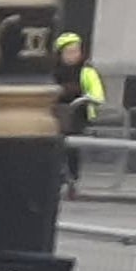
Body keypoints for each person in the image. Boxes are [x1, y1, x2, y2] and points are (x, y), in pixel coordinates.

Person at [54, 31, 104, 193]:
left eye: (76, 51)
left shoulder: (86, 70)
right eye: (69, 52)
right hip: (55, 115)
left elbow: (98, 94)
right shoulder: (53, 71)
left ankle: (73, 178)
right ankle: (58, 175)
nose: (73, 55)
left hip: (77, 115)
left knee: (72, 148)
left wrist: (86, 98)